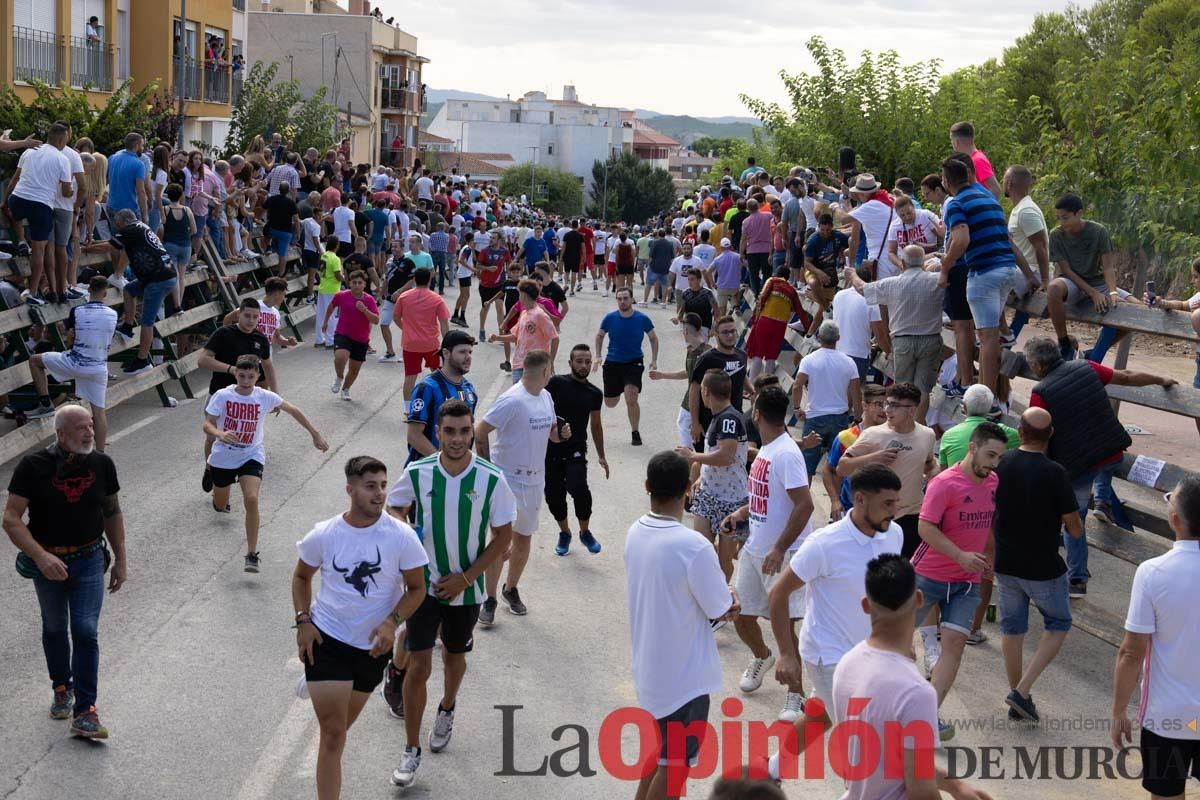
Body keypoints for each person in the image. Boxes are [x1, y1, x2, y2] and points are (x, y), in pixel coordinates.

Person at [385, 401, 516, 789]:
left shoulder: (492, 479)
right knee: (419, 664)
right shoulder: (419, 471)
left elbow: (504, 537)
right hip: (423, 587)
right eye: (449, 431)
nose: (457, 439)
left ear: (471, 432)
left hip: (467, 590)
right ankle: (410, 750)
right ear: (437, 433)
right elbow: (394, 507)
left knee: (454, 658)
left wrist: (466, 577)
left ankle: (447, 708)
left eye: (463, 431)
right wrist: (408, 538)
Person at [293, 456, 429, 800]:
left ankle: (322, 691)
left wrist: (391, 623)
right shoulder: (324, 534)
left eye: (383, 485)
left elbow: (417, 589)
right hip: (328, 640)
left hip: (372, 650)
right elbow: (301, 576)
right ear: (350, 489)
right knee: (334, 733)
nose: (380, 493)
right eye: (371, 486)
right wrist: (303, 621)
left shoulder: (402, 536)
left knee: (339, 731)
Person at [763, 465, 903, 778]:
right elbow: (778, 595)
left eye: (896, 502)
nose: (894, 511)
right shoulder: (824, 544)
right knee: (867, 754)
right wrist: (786, 653)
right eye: (888, 504)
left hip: (869, 653)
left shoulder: (893, 534)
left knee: (819, 716)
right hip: (829, 657)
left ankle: (771, 771)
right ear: (861, 499)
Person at [3, 405, 125, 739]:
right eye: (80, 428)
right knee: (55, 628)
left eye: (90, 425)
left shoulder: (101, 463)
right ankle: (61, 686)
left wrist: (121, 560)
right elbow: (11, 518)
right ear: (60, 434)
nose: (89, 432)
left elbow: (113, 512)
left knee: (85, 630)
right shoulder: (34, 466)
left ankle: (86, 711)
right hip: (49, 563)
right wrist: (41, 557)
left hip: (88, 559)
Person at [1022, 335, 1176, 597]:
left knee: (1074, 520)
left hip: (1080, 465)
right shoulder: (1085, 367)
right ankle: (1103, 500)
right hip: (1111, 449)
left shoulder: (1041, 393)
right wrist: (1160, 379)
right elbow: (1125, 376)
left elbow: (1041, 439)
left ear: (1036, 365)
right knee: (1105, 466)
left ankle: (1077, 579)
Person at [833, 554, 994, 800]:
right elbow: (920, 789)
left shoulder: (847, 664)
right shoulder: (915, 692)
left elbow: (895, 758)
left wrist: (956, 786)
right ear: (919, 599)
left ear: (865, 604)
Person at [623, 450, 737, 800]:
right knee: (675, 769)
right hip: (684, 678)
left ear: (647, 487)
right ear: (689, 489)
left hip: (650, 669)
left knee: (660, 756)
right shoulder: (694, 545)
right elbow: (720, 606)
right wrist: (732, 600)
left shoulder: (635, 532)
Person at [719, 387, 815, 721]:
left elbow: (805, 505)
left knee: (785, 627)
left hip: (782, 555)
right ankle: (762, 656)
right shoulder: (767, 451)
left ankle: (796, 694)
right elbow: (768, 499)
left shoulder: (786, 454)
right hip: (755, 549)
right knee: (740, 616)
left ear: (757, 413)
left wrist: (779, 548)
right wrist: (741, 514)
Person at [911, 421, 1007, 740]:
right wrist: (960, 555)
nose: (993, 464)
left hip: (967, 582)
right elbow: (925, 529)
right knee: (893, 645)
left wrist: (988, 559)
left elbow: (986, 526)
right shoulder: (944, 483)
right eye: (989, 455)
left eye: (998, 458)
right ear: (972, 448)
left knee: (953, 649)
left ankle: (926, 717)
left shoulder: (992, 482)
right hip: (928, 577)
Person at [1111, 474, 1200, 800]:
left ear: (1175, 520)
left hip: (1169, 717)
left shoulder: (1152, 573)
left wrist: (1119, 711)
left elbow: (1131, 653)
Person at [993, 407, 1080, 722]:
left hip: (1005, 561)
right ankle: (1021, 690)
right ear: (1051, 435)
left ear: (1020, 431)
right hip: (1043, 565)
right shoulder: (1055, 472)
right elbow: (1073, 525)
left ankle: (1020, 695)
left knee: (1012, 628)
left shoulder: (1001, 464)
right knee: (1058, 623)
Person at [205, 354, 328, 572]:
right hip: (224, 454)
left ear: (257, 376)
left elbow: (293, 410)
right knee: (221, 504)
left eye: (250, 376)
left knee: (251, 499)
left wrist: (315, 434)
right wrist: (219, 433)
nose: (245, 380)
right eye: (241, 376)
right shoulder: (222, 395)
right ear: (236, 375)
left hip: (251, 454)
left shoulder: (264, 396)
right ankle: (218, 497)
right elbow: (208, 424)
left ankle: (251, 554)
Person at [475, 349, 565, 622]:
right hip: (507, 480)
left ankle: (510, 589)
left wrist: (560, 435)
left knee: (523, 541)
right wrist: (490, 470)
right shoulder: (512, 400)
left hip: (535, 479)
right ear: (546, 371)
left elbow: (551, 434)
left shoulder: (546, 397)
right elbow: (480, 432)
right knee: (501, 543)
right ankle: (488, 599)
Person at [938, 156, 1018, 397]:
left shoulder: (955, 203)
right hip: (1007, 268)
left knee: (986, 337)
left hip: (984, 271)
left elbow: (961, 239)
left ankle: (985, 398)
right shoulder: (988, 197)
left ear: (945, 182)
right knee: (990, 335)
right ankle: (989, 394)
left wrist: (945, 266)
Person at [836, 382, 937, 559]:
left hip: (911, 515)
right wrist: (873, 458)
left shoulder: (927, 435)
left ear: (912, 410)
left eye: (895, 406)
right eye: (887, 403)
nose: (887, 410)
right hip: (877, 515)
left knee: (903, 573)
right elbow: (842, 468)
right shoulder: (873, 434)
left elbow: (929, 463)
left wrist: (934, 471)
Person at [847, 245, 943, 421]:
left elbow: (862, 288)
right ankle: (917, 427)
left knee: (901, 390)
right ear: (922, 263)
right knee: (923, 391)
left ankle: (900, 426)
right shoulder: (937, 280)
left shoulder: (892, 283)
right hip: (931, 339)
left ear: (903, 264)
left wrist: (852, 273)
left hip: (902, 341)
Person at [26, 277, 117, 447]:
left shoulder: (77, 310)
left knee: (34, 360)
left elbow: (69, 335)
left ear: (89, 290)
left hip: (75, 362)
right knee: (98, 412)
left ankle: (45, 403)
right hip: (99, 368)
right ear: (105, 293)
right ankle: (99, 455)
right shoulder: (113, 314)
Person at [677, 368, 748, 582]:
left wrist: (693, 455)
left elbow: (727, 456)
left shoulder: (729, 420)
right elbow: (717, 456)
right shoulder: (719, 417)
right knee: (700, 552)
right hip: (709, 495)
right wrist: (701, 476)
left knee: (723, 561)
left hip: (732, 501)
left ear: (705, 391)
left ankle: (720, 602)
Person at [1046, 193, 1132, 363]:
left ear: (1079, 213)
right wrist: (1092, 293)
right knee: (1053, 288)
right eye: (1058, 218)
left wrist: (1113, 293)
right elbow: (1067, 270)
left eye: (1065, 217)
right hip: (1072, 283)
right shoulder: (1056, 235)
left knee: (1138, 310)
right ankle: (1064, 343)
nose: (1061, 222)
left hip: (1098, 282)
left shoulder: (1098, 231)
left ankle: (1095, 352)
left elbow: (1108, 267)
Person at [545, 344, 608, 556]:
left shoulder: (594, 393)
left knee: (579, 488)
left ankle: (585, 532)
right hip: (550, 450)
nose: (583, 365)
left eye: (587, 362)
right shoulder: (556, 383)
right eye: (579, 361)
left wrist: (601, 455)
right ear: (570, 362)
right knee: (554, 496)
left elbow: (596, 425)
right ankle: (565, 533)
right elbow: (541, 409)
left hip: (576, 450)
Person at [110, 209, 178, 374]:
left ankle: (142, 361)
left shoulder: (131, 229)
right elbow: (125, 250)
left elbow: (109, 246)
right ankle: (127, 326)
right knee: (129, 289)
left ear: (125, 221)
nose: (118, 227)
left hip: (157, 280)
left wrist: (85, 249)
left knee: (147, 322)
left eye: (118, 224)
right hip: (163, 275)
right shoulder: (142, 226)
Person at [791, 321, 861, 477]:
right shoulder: (849, 362)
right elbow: (856, 392)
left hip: (815, 417)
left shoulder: (809, 360)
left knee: (807, 466)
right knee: (837, 466)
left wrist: (797, 408)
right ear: (838, 338)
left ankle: (804, 500)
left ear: (819, 337)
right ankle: (835, 500)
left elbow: (797, 386)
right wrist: (858, 417)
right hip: (840, 419)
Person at [594, 288, 659, 446]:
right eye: (619, 299)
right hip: (613, 363)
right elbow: (600, 335)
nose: (622, 301)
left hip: (634, 362)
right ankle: (619, 389)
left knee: (631, 395)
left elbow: (653, 339)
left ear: (632, 299)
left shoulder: (642, 319)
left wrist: (654, 360)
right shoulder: (610, 318)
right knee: (610, 402)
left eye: (625, 298)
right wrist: (597, 356)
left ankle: (635, 432)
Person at [824, 384, 888, 522]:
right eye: (879, 404)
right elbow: (829, 470)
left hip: (880, 515)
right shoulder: (846, 437)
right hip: (848, 512)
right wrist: (835, 501)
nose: (885, 410)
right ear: (864, 405)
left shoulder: (893, 437)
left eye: (888, 405)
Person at [1002, 165, 1050, 342]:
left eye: (1004, 179)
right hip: (1020, 270)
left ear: (1010, 183)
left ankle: (1003, 335)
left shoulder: (1026, 210)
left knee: (989, 279)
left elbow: (1040, 246)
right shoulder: (1018, 209)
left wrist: (1045, 280)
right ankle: (1000, 334)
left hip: (1031, 271)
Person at [393, 268, 450, 409]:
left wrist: (405, 329)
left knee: (410, 377)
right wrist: (447, 344)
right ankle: (442, 405)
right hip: (431, 344)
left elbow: (396, 316)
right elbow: (444, 323)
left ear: (414, 280)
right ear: (429, 279)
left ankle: (408, 409)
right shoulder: (437, 299)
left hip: (410, 344)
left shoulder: (404, 297)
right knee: (439, 375)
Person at [688, 316, 746, 446]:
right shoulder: (706, 359)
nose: (730, 335)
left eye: (733, 331)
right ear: (716, 335)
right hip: (709, 422)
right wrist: (695, 423)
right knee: (705, 462)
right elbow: (694, 390)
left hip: (734, 420)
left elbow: (741, 373)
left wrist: (753, 391)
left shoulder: (742, 355)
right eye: (725, 332)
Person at [323, 271, 380, 401]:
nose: (357, 285)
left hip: (361, 339)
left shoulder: (369, 300)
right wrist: (325, 321)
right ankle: (339, 377)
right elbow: (331, 307)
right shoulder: (341, 296)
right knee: (340, 357)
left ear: (365, 284)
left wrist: (365, 310)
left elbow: (376, 320)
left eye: (360, 283)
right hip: (343, 334)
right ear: (349, 283)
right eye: (354, 282)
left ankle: (346, 389)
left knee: (354, 369)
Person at [489, 279, 559, 383]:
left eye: (519, 294)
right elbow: (516, 336)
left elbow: (555, 338)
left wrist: (550, 361)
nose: (519, 298)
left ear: (524, 295)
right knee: (518, 398)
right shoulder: (524, 313)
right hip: (518, 365)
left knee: (532, 397)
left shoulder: (540, 315)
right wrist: (497, 338)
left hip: (535, 366)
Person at [746, 266, 805, 385]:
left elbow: (761, 299)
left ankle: (752, 387)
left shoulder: (772, 281)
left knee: (758, 354)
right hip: (780, 325)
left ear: (776, 274)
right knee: (771, 356)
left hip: (765, 320)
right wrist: (809, 329)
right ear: (788, 278)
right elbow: (800, 312)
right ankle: (767, 387)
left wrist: (755, 319)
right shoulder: (792, 291)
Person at [830, 264, 883, 381]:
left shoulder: (838, 295)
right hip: (858, 354)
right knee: (856, 394)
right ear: (870, 281)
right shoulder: (871, 300)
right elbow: (879, 334)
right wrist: (888, 350)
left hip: (837, 351)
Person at [950, 120, 1002, 199]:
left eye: (951, 140)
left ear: (956, 142)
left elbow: (996, 189)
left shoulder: (977, 160)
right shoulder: (974, 159)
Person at [738, 198, 774, 294]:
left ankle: (757, 293)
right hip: (767, 249)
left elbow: (743, 239)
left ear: (748, 208)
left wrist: (741, 253)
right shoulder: (768, 216)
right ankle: (766, 290)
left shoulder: (746, 222)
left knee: (753, 274)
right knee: (767, 273)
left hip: (752, 251)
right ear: (758, 206)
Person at [314, 236, 343, 348]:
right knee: (332, 315)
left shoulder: (324, 256)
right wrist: (345, 278)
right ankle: (330, 340)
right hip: (332, 289)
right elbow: (338, 275)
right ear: (337, 245)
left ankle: (319, 339)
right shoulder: (335, 258)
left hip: (323, 288)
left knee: (321, 314)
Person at [672, 268, 719, 338]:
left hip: (704, 327)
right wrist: (677, 319)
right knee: (691, 348)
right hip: (689, 327)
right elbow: (682, 310)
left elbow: (716, 311)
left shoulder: (708, 293)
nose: (689, 282)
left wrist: (714, 327)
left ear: (699, 280)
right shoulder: (685, 293)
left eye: (692, 279)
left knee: (702, 348)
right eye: (688, 279)